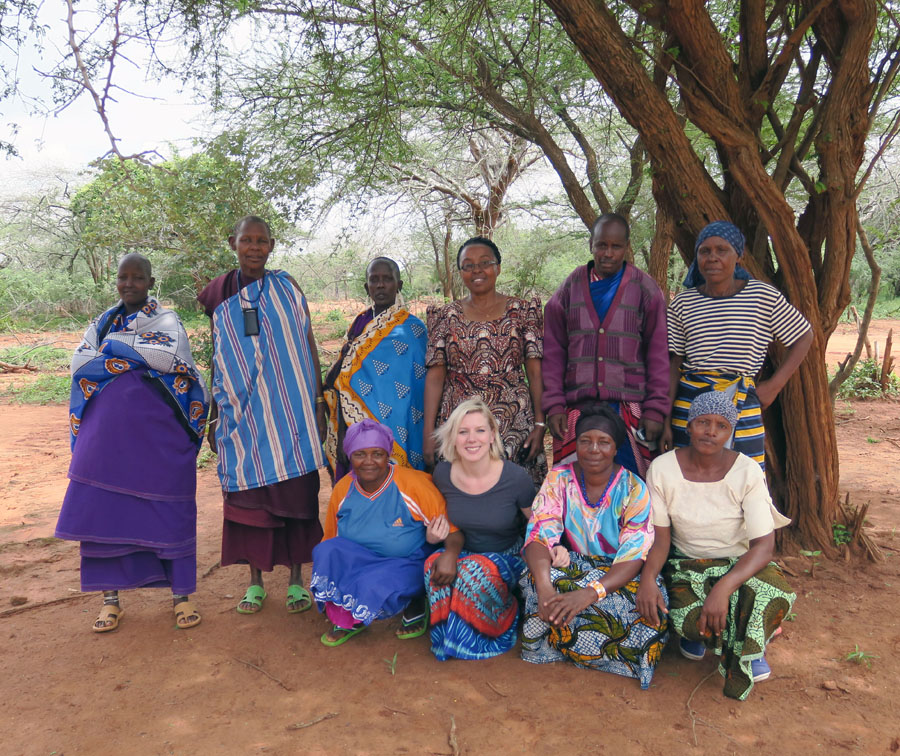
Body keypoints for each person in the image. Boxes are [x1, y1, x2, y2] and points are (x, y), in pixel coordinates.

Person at [56, 253, 209, 632]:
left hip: (157, 441)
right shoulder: (102, 322)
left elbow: (167, 356)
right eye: (123, 277)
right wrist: (128, 353)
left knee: (169, 512)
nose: (129, 284)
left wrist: (113, 352)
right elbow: (79, 363)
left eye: (137, 277)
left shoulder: (168, 322)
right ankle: (111, 602)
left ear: (150, 282)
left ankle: (181, 597)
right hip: (105, 440)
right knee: (103, 514)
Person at [197, 216, 326, 615]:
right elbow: (221, 353)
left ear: (272, 245)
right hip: (243, 415)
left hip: (292, 413)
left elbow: (307, 343)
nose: (254, 248)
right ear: (232, 243)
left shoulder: (288, 288)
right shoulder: (218, 294)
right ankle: (254, 583)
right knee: (247, 499)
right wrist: (215, 414)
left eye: (261, 241)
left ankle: (295, 581)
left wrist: (317, 402)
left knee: (299, 498)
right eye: (246, 241)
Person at [638, 391, 795, 700]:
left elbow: (763, 546)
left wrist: (723, 588)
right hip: (687, 563)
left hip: (740, 561)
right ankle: (707, 637)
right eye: (703, 422)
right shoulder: (662, 468)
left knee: (774, 594)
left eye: (721, 426)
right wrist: (647, 577)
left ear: (730, 433)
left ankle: (751, 648)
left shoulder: (747, 471)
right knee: (682, 614)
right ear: (689, 425)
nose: (710, 431)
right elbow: (661, 540)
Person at [519, 403, 667, 689]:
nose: (593, 449)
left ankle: (598, 653)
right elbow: (538, 533)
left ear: (615, 448)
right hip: (575, 565)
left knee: (645, 605)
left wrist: (590, 593)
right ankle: (554, 649)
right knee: (534, 581)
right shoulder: (558, 479)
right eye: (585, 441)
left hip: (619, 572)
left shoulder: (633, 488)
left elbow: (635, 554)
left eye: (604, 442)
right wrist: (545, 587)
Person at [662, 220, 814, 469]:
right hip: (690, 406)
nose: (712, 258)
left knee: (745, 477)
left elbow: (803, 336)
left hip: (742, 402)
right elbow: (673, 365)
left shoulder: (762, 297)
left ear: (739, 256)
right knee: (690, 478)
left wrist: (775, 386)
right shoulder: (683, 303)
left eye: (722, 250)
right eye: (705, 251)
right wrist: (667, 420)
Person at [542, 213, 669, 478]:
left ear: (626, 247)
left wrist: (656, 410)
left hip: (629, 410)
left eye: (616, 246)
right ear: (591, 244)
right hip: (578, 410)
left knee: (632, 488)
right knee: (576, 489)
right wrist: (554, 405)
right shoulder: (569, 289)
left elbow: (658, 355)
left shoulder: (646, 290)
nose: (608, 253)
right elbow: (554, 353)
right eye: (601, 245)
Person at [310, 419, 455, 645]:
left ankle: (416, 599)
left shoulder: (413, 485)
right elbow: (331, 537)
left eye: (377, 453)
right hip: (361, 561)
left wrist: (445, 548)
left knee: (374, 583)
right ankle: (348, 614)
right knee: (325, 551)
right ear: (350, 456)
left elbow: (451, 530)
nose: (369, 462)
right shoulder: (343, 488)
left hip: (405, 562)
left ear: (388, 455)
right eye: (360, 454)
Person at [423, 236, 547, 486]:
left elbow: (535, 373)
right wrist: (429, 433)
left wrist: (539, 424)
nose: (477, 270)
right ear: (460, 272)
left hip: (514, 420)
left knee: (516, 496)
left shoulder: (522, 311)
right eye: (468, 265)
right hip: (458, 422)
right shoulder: (445, 315)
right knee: (462, 492)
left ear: (498, 268)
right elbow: (435, 377)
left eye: (485, 263)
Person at [426, 398, 535, 661]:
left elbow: (538, 524)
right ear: (453, 438)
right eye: (463, 432)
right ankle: (447, 638)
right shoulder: (442, 474)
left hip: (506, 556)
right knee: (433, 564)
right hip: (462, 551)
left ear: (492, 435)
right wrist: (434, 538)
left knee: (473, 572)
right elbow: (444, 525)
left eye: (479, 430)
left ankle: (496, 627)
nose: (471, 439)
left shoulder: (516, 478)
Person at [323, 257, 428, 480]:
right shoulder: (359, 325)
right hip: (359, 431)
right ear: (367, 286)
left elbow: (421, 390)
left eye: (387, 279)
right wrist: (343, 433)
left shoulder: (414, 331)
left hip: (403, 429)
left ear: (399, 285)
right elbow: (344, 383)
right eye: (374, 279)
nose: (380, 285)